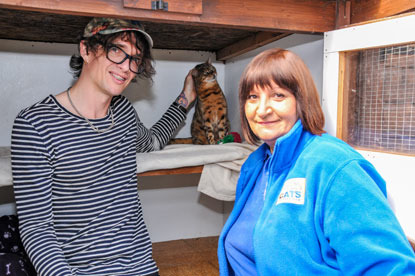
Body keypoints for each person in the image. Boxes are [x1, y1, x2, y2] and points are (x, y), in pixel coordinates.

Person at [11, 17, 196, 276]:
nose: (127, 67)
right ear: (86, 50)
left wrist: (185, 98)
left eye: (135, 59)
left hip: (141, 268)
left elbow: (152, 141)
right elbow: (36, 227)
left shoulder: (123, 113)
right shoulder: (35, 124)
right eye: (116, 50)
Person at [217, 48, 415, 275]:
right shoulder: (255, 164)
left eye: (278, 95)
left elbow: (393, 269)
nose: (262, 110)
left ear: (301, 101)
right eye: (253, 97)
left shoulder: (334, 166)